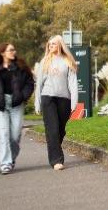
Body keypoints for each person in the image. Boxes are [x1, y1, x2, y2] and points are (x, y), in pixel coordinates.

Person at [0, 43, 34, 175]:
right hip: (0, 105)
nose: (14, 51)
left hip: (16, 103)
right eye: (10, 50)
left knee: (15, 134)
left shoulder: (21, 68)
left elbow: (30, 83)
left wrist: (23, 96)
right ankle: (5, 163)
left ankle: (11, 159)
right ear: (2, 53)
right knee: (3, 134)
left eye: (14, 49)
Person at [35, 35, 78, 170]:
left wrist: (74, 102)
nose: (50, 46)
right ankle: (56, 160)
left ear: (60, 45)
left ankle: (54, 148)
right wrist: (37, 102)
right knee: (52, 129)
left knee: (60, 130)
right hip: (48, 97)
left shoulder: (68, 61)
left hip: (64, 99)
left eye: (53, 44)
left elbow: (72, 83)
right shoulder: (45, 61)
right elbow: (39, 84)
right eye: (49, 44)